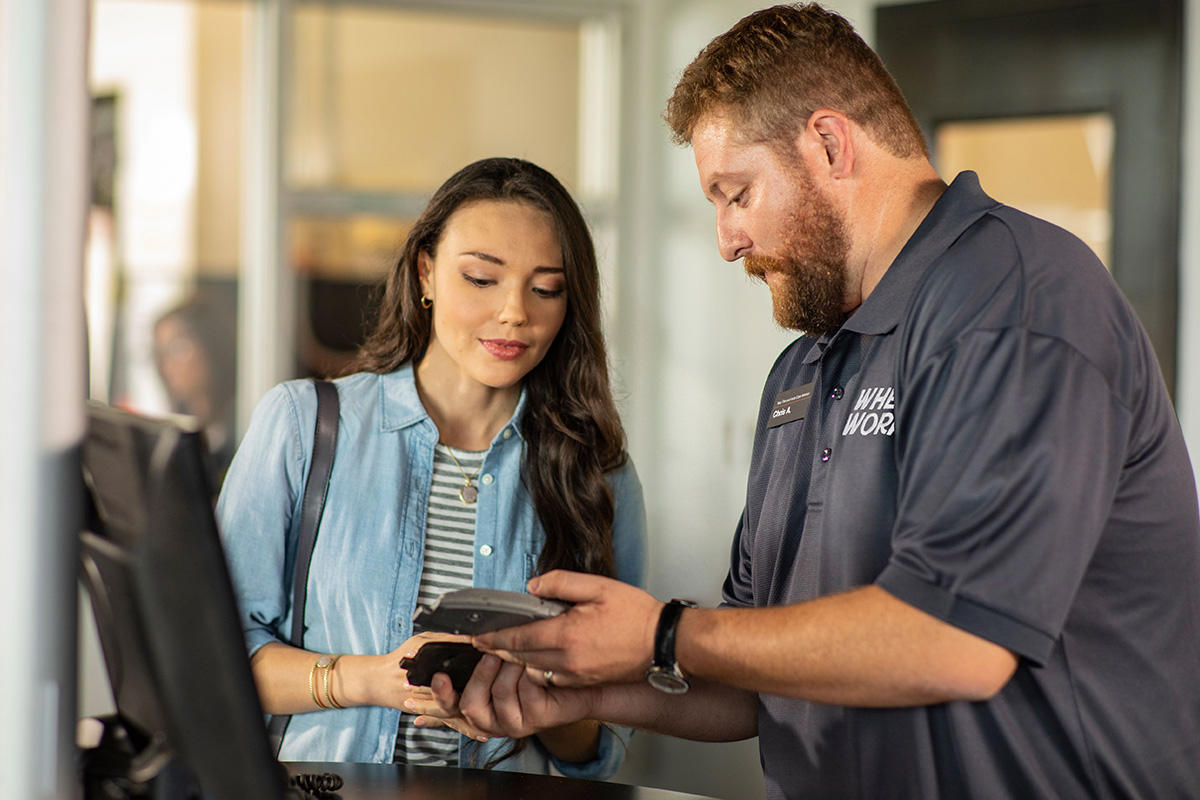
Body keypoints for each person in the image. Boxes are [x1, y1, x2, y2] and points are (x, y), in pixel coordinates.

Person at [409, 6, 1200, 798]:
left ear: (828, 144)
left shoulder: (1015, 304)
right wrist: (580, 693)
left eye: (737, 194)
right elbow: (755, 678)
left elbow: (956, 640)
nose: (726, 241)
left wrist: (663, 632)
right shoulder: (801, 373)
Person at [215, 157, 646, 777]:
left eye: (546, 289)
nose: (514, 312)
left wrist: (542, 705)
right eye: (481, 279)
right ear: (426, 273)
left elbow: (600, 744)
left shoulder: (598, 474)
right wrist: (369, 679)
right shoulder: (303, 426)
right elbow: (216, 659)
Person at [153, 294, 238, 493]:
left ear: (210, 344)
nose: (167, 365)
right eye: (160, 353)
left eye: (177, 348)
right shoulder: (171, 440)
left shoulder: (241, 429)